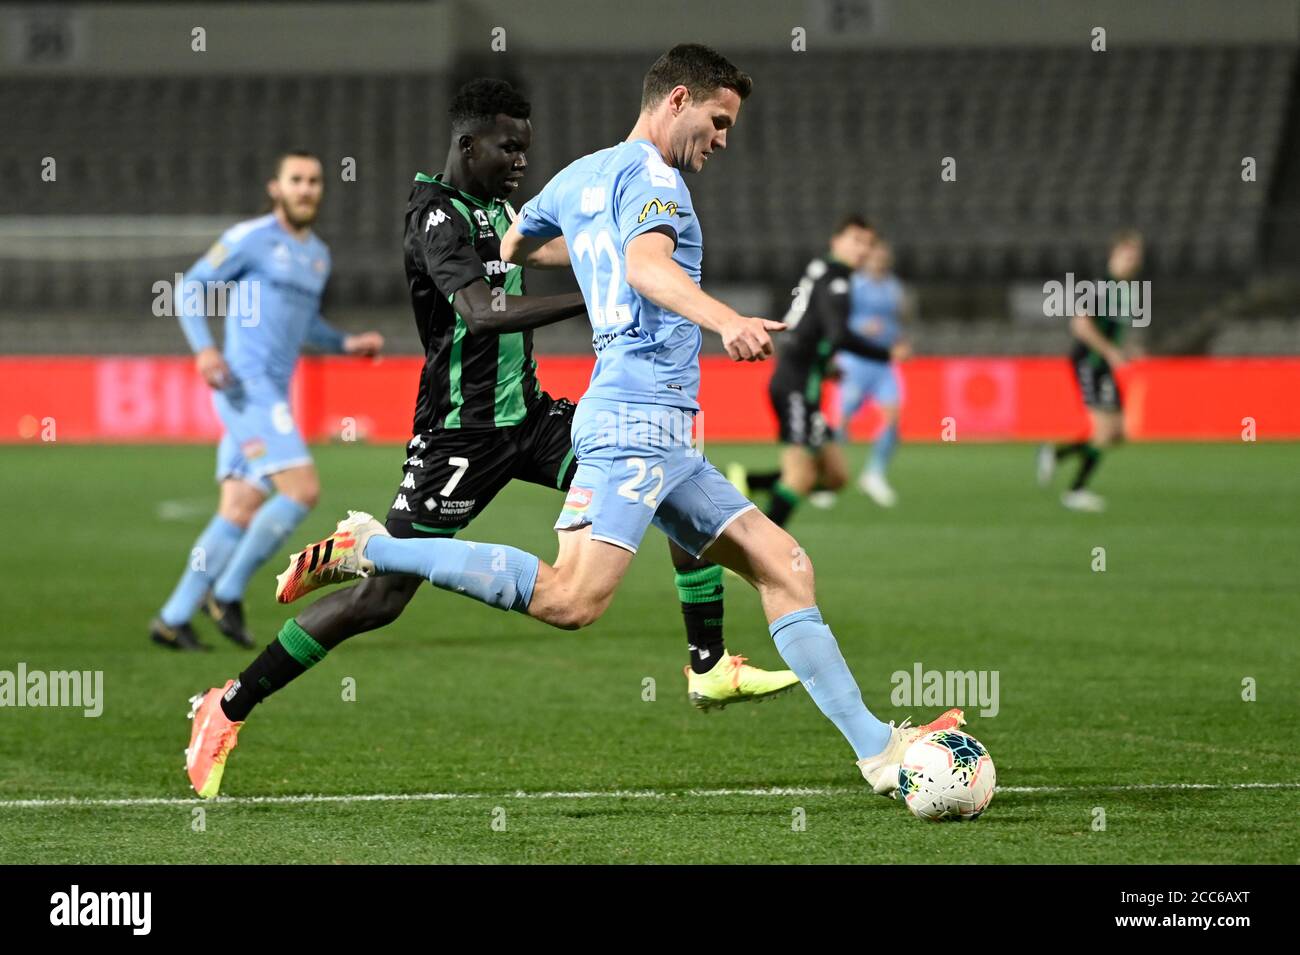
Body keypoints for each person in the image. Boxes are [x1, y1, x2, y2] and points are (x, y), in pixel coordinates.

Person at [180, 78, 795, 799]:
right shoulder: (432, 214)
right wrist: (604, 294)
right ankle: (226, 706)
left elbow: (565, 249)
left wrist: (620, 256)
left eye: (526, 149)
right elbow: (480, 311)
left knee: (661, 472)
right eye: (507, 147)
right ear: (467, 144)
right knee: (379, 600)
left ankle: (707, 661)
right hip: (459, 435)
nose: (519, 162)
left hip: (531, 420)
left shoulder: (498, 209)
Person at [150, 151, 384, 652]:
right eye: (296, 180)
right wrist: (206, 349)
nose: (306, 189)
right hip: (245, 386)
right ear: (275, 188)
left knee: (238, 508)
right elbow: (191, 288)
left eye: (314, 181)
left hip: (271, 393)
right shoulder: (250, 239)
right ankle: (229, 592)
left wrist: (345, 344)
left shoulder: (318, 255)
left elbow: (305, 327)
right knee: (302, 490)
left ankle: (172, 619)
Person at [1038, 230, 1143, 512]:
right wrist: (1109, 351)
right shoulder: (1101, 287)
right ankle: (1076, 491)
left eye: (1136, 256)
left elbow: (1115, 330)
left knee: (1118, 433)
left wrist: (1127, 350)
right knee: (1103, 430)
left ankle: (1057, 453)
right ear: (1114, 254)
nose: (1132, 261)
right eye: (1127, 255)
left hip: (1105, 365)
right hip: (1089, 362)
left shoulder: (1127, 291)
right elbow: (1080, 325)